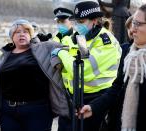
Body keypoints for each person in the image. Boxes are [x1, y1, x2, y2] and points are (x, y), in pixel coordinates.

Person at [0, 19, 70, 131]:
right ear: (11, 36)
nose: (22, 34)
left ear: (31, 35)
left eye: (25, 31)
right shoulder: (5, 57)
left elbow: (69, 49)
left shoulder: (44, 48)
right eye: (17, 32)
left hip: (37, 110)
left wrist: (57, 57)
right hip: (8, 112)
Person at [51, 1, 121, 131]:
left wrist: (61, 53)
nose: (77, 25)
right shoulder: (79, 37)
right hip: (72, 99)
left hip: (96, 101)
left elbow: (81, 69)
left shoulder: (106, 42)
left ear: (94, 20)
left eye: (81, 21)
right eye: (76, 21)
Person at [80, 4, 146, 131]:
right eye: (133, 24)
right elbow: (116, 88)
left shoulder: (106, 40)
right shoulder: (128, 53)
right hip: (120, 124)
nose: (132, 30)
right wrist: (94, 107)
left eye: (138, 24)